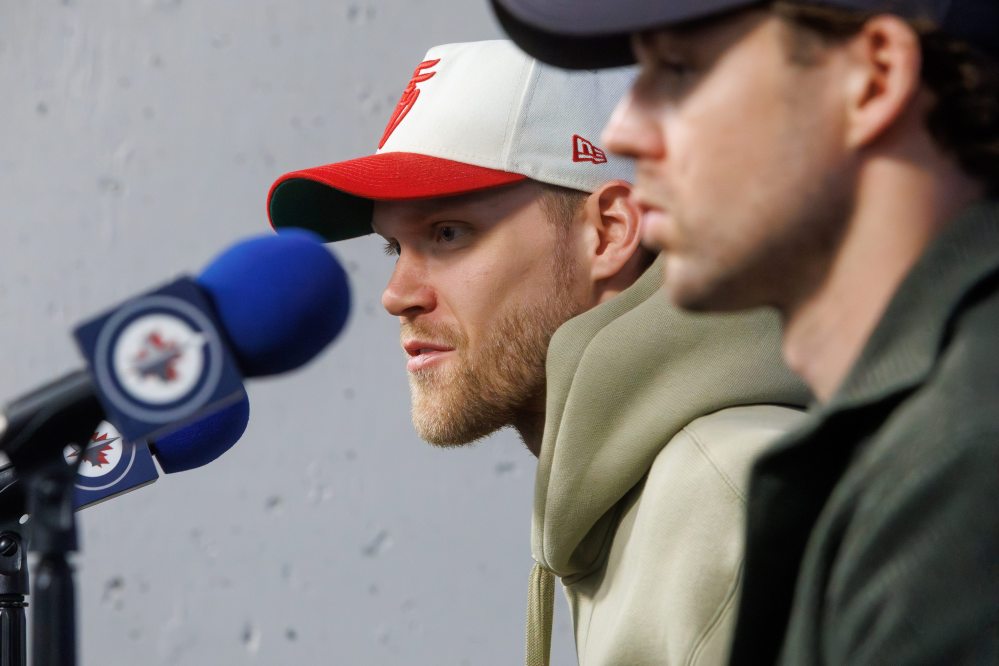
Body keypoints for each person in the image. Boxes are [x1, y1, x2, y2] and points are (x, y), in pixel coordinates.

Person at [266, 40, 807, 665]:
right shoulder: (637, 498)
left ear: (608, 232)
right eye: (395, 247)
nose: (396, 296)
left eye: (448, 233)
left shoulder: (737, 506)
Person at [490, 0, 999, 664]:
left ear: (872, 80)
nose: (624, 131)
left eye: (678, 68)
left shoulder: (961, 463)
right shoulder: (911, 440)